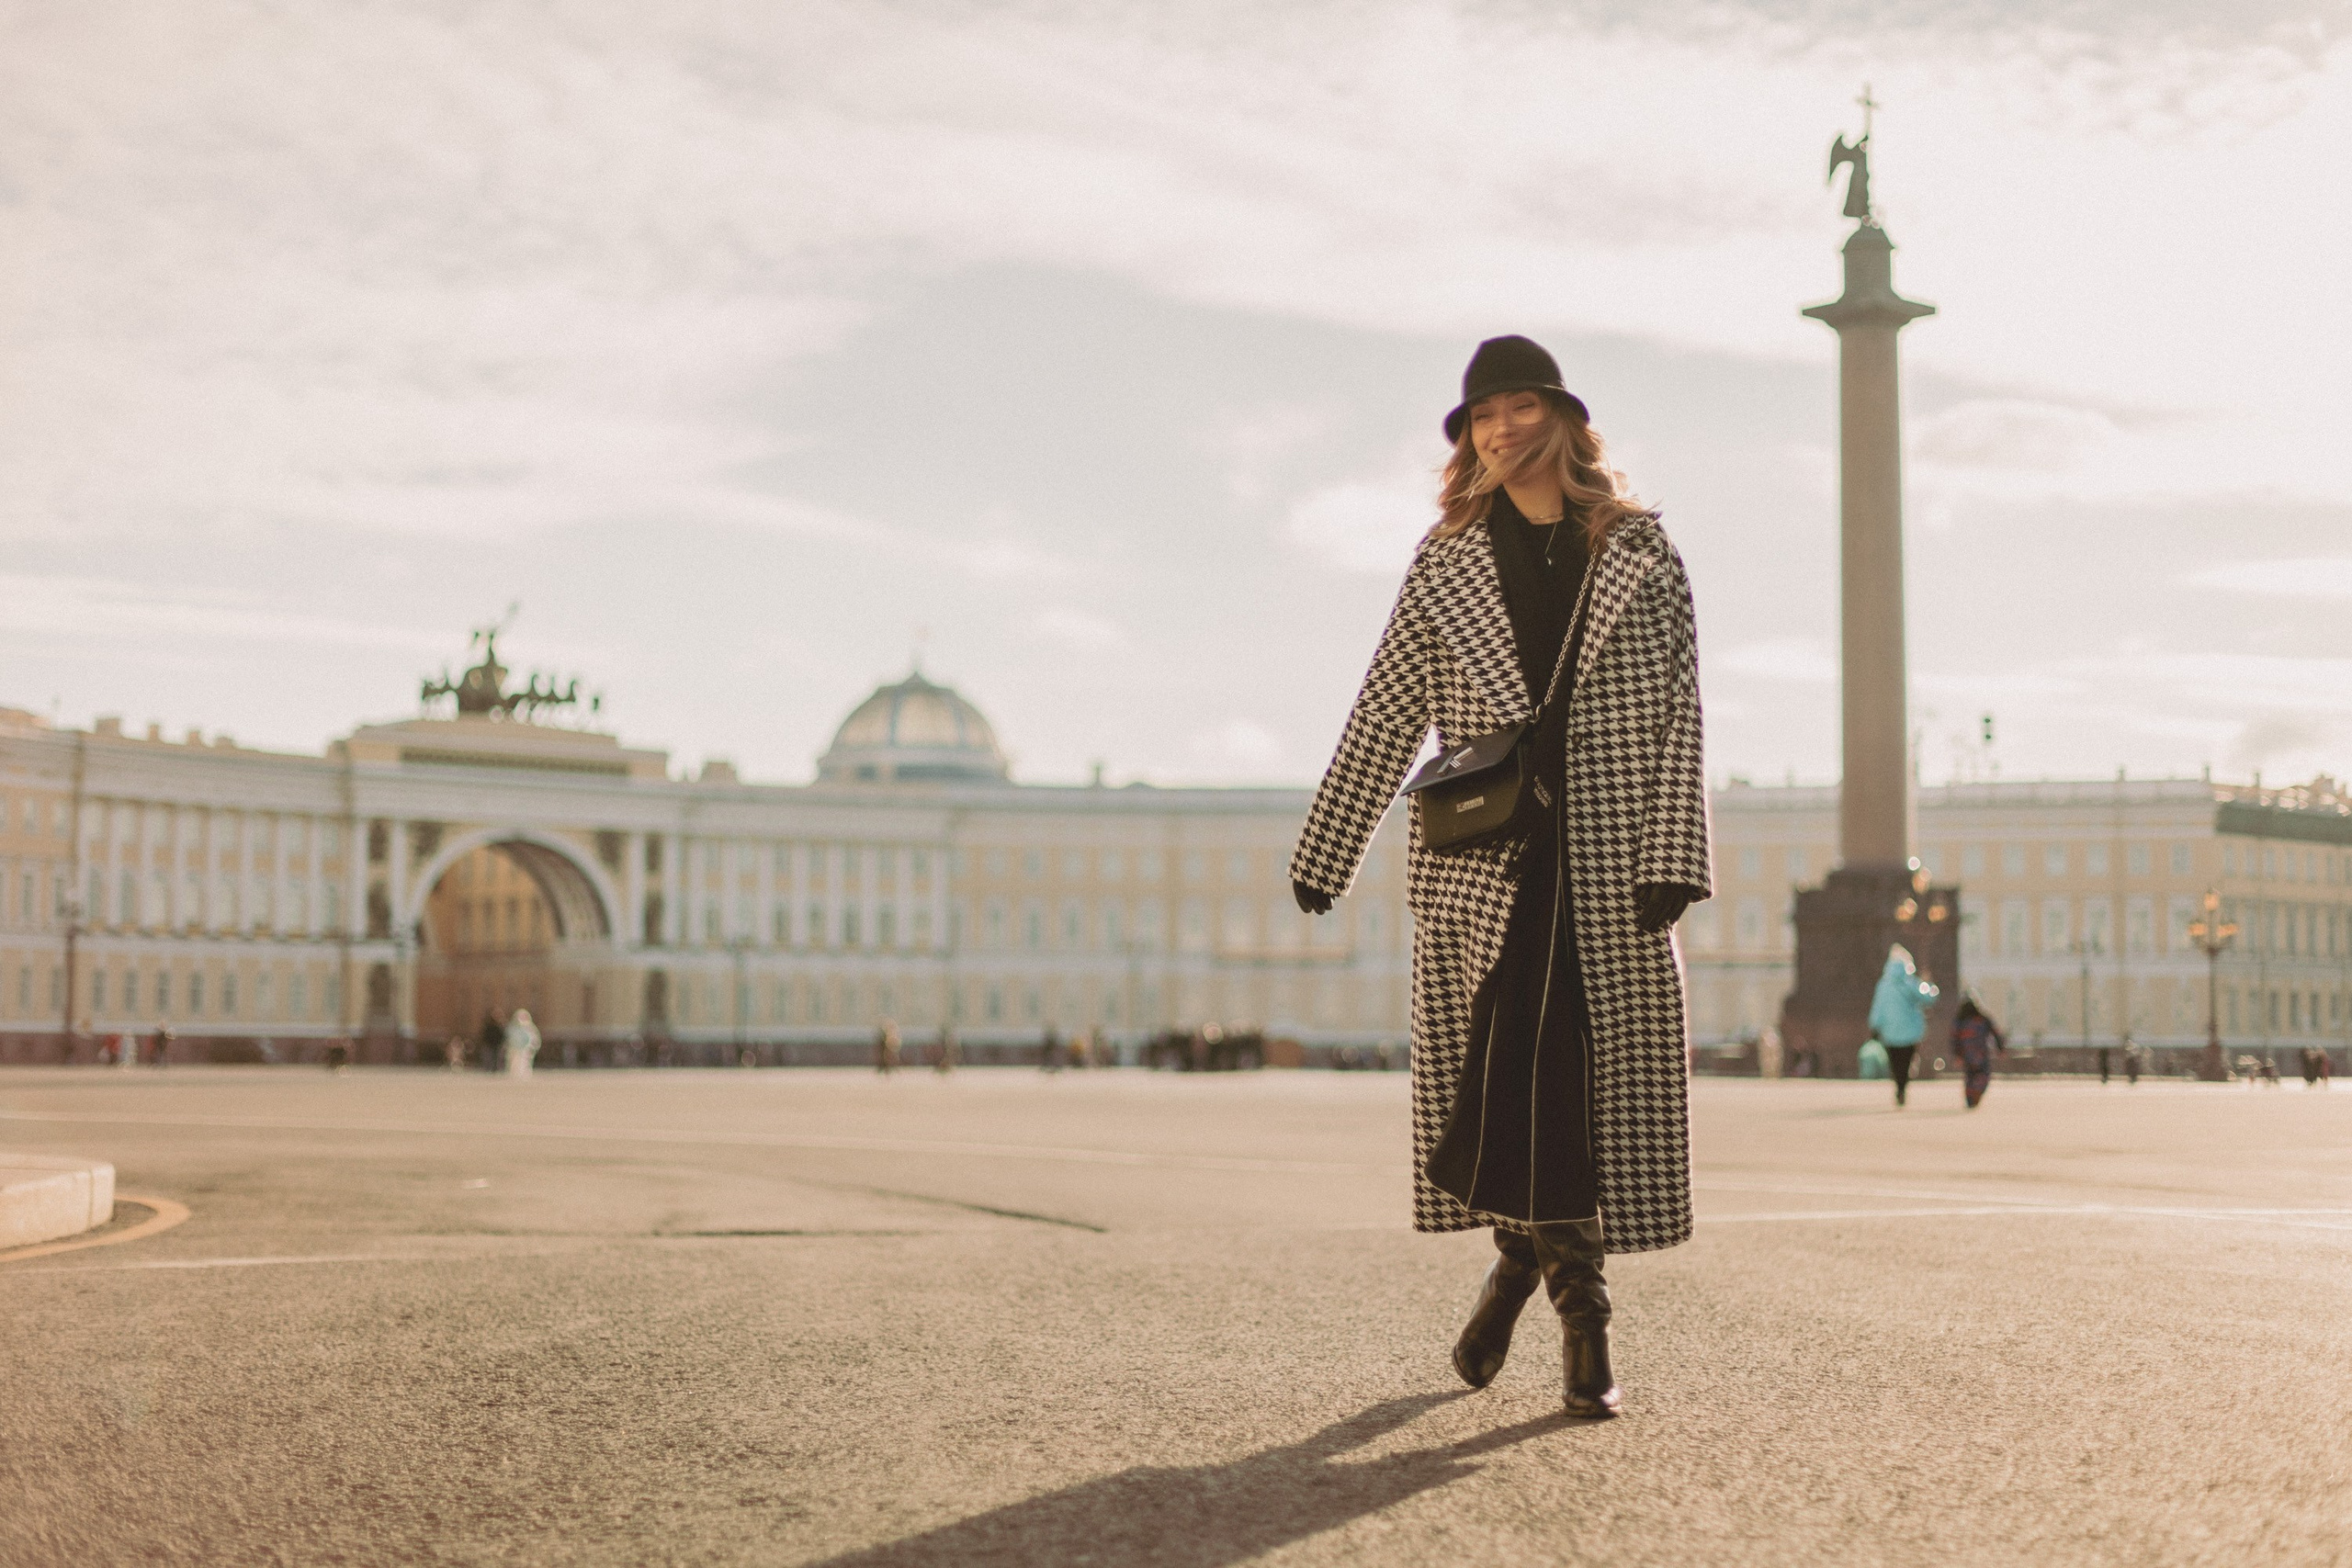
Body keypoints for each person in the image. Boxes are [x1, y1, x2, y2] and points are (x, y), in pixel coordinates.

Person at [1290, 336, 1710, 1419]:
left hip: (1609, 859)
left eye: (1523, 407)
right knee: (1513, 1087)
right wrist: (1328, 848)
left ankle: (1548, 1293)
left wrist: (1673, 856)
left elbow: (1678, 714)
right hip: (1488, 864)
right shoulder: (1444, 563)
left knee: (1576, 1086)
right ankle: (1565, 1301)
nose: (1504, 428)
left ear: (1564, 422)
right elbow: (1386, 707)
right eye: (1485, 415)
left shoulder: (1641, 552)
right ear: (1470, 438)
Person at [1867, 943, 1939, 1108]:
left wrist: (1874, 1026)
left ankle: (1898, 1086)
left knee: (1895, 1062)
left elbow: (1878, 1008)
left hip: (1889, 1033)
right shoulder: (1910, 983)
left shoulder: (1883, 985)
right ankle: (1902, 1086)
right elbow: (1929, 998)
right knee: (1906, 1062)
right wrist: (1930, 984)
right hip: (1910, 1032)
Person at [1949, 993, 2007, 1110]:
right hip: (1980, 1054)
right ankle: (1975, 1094)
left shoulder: (1959, 1021)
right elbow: (1996, 1033)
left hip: (1967, 1055)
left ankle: (1970, 1097)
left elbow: (1954, 1040)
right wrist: (2000, 1049)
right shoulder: (1983, 1019)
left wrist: (1957, 1055)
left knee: (1970, 1077)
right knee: (1983, 1076)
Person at [503, 1008, 540, 1077]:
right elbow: (509, 1038)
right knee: (513, 1063)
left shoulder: (529, 1028)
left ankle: (524, 1075)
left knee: (524, 1062)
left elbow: (534, 1039)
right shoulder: (512, 1027)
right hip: (514, 1049)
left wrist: (533, 1046)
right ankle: (513, 1075)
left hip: (525, 1049)